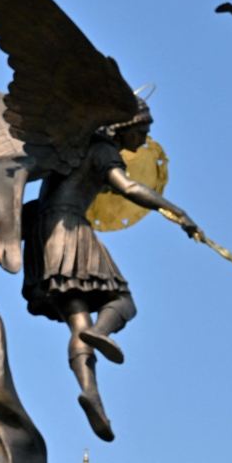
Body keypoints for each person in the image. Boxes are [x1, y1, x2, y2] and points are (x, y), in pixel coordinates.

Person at [22, 97, 200, 442]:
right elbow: (128, 187)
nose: (144, 140)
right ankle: (102, 332)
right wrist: (179, 214)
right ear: (126, 126)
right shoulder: (102, 149)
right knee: (124, 301)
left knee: (78, 322)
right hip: (70, 228)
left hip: (42, 236)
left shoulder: (73, 148)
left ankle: (92, 394)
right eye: (143, 131)